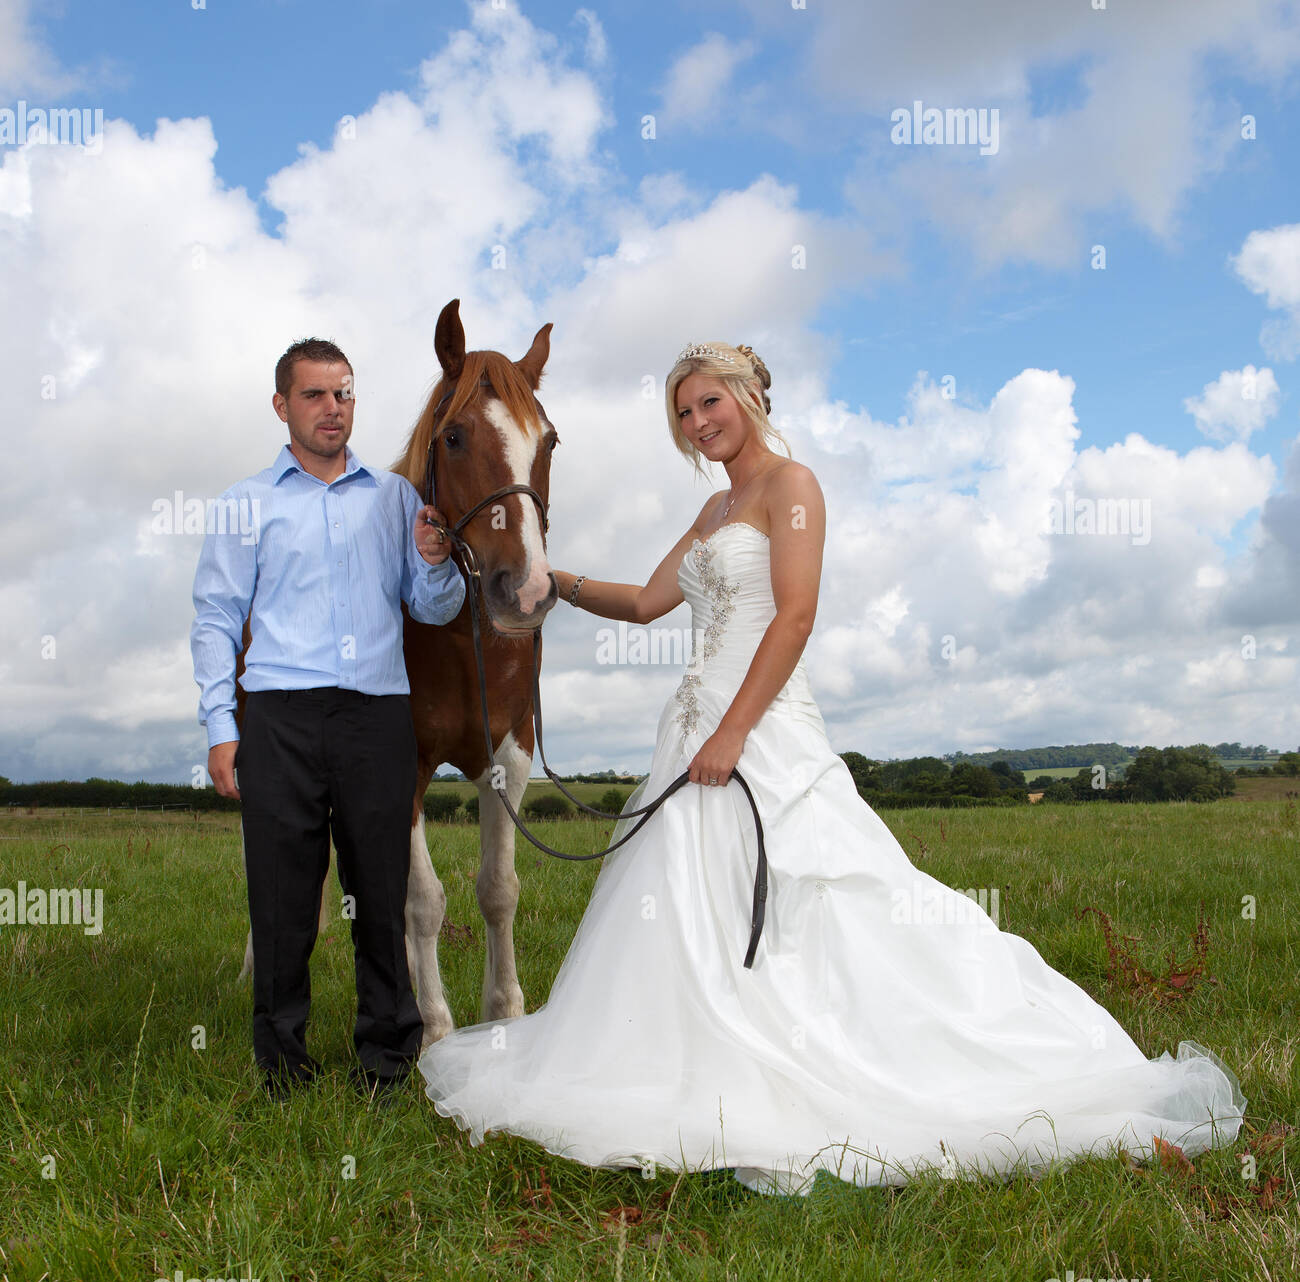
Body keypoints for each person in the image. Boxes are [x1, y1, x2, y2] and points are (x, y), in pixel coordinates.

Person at [417, 341, 1246, 1194]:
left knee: (828, 897)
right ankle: (698, 1057)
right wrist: (555, 580)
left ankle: (851, 1051)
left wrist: (735, 733)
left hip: (758, 733)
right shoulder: (712, 514)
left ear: (746, 396)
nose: (698, 424)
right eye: (683, 413)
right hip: (693, 729)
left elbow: (795, 619)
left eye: (709, 403)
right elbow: (643, 603)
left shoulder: (794, 487)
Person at [191, 338, 465, 1102]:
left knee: (379, 892)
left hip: (377, 714)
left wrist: (438, 563)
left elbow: (430, 606)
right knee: (281, 898)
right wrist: (221, 724)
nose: (332, 408)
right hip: (277, 713)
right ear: (282, 406)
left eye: (343, 393)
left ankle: (386, 1061)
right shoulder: (247, 502)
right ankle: (282, 1064)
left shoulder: (396, 499)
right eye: (314, 395)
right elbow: (216, 617)